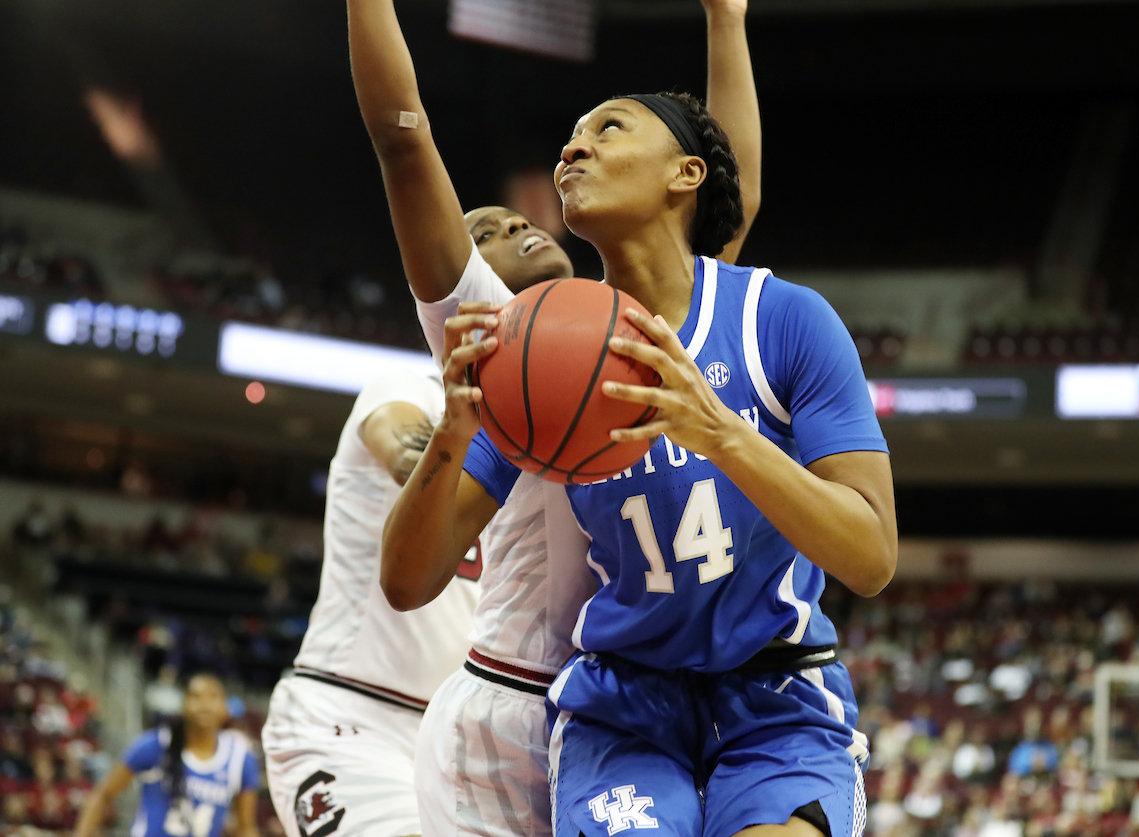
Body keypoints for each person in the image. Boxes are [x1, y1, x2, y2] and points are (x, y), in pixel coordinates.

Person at [386, 89, 896, 837]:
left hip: (778, 692)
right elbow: (407, 580)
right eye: (570, 136)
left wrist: (722, 434)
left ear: (685, 173)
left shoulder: (781, 319)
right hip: (624, 706)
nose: (573, 149)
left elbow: (872, 556)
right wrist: (454, 430)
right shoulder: (541, 346)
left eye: (608, 128)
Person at [348, 0, 761, 835]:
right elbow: (403, 140)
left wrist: (727, 20)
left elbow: (727, 201)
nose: (514, 225)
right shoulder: (489, 326)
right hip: (512, 703)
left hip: (626, 712)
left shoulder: (633, 330)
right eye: (489, 231)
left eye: (517, 218)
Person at [261, 369, 481, 837]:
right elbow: (406, 457)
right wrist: (463, 438)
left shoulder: (549, 455)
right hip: (350, 715)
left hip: (463, 739)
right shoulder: (409, 391)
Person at [74, 672, 259, 837]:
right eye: (196, 696)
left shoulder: (240, 759)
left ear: (225, 708)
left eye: (213, 697)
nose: (204, 704)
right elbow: (103, 794)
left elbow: (246, 827)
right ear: (183, 704)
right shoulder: (156, 745)